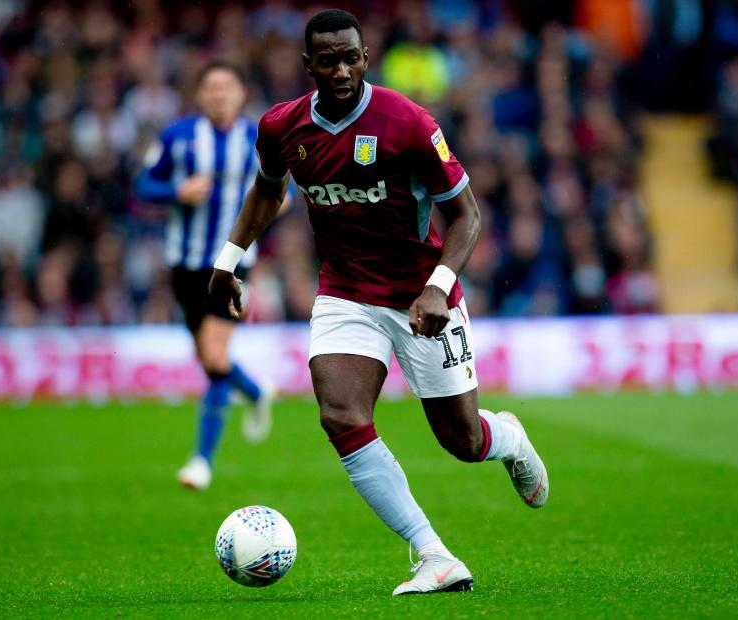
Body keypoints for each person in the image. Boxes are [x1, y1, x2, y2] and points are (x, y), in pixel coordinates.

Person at [208, 10, 549, 595]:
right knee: (340, 414)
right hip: (344, 291)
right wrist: (227, 258)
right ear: (308, 64)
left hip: (422, 293)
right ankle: (432, 554)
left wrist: (438, 285)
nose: (341, 69)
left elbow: (468, 215)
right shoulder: (282, 127)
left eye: (351, 57)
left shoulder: (408, 124)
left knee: (463, 442)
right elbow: (269, 190)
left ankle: (509, 438)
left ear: (366, 57)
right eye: (328, 60)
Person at [135, 60, 276, 492]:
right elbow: (143, 184)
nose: (219, 95)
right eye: (211, 87)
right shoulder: (177, 137)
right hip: (184, 264)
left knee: (215, 360)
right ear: (199, 95)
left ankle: (202, 461)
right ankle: (255, 391)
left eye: (227, 87)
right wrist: (177, 191)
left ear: (241, 93)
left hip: (232, 262)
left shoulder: (257, 137)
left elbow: (285, 185)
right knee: (208, 359)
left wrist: (276, 205)